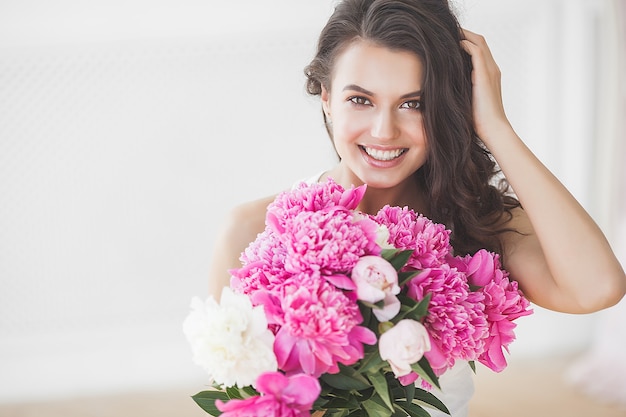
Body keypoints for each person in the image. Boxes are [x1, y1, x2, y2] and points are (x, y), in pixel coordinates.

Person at [207, 0, 626, 415]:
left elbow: (597, 288)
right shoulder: (251, 232)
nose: (384, 131)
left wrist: (495, 127)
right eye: (360, 100)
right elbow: (243, 399)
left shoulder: (478, 225)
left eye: (414, 103)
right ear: (326, 98)